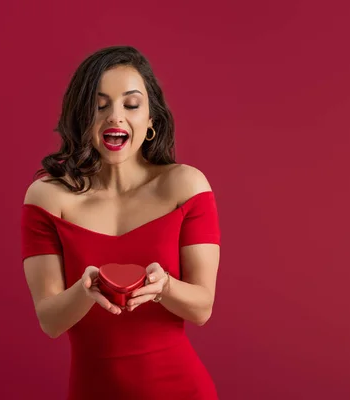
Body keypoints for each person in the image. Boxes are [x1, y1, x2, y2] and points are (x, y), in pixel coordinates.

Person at [20, 45, 221, 399]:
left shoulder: (185, 185)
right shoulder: (47, 198)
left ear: (151, 122)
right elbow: (50, 320)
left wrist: (165, 288)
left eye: (131, 105)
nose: (115, 117)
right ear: (80, 118)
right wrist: (84, 291)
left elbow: (202, 308)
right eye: (99, 106)